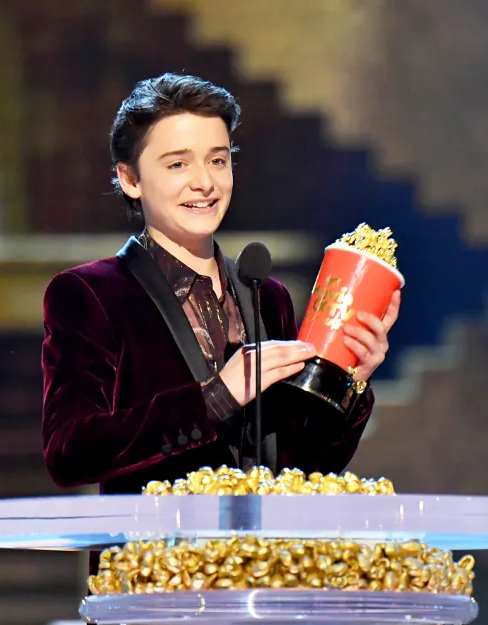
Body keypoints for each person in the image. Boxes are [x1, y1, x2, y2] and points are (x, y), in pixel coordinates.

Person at [41, 73, 400, 500]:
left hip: (263, 561)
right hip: (154, 559)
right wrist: (216, 398)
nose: (205, 183)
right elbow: (69, 451)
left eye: (217, 159)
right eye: (178, 164)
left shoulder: (266, 296)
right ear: (130, 178)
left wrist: (349, 378)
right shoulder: (91, 294)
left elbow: (304, 467)